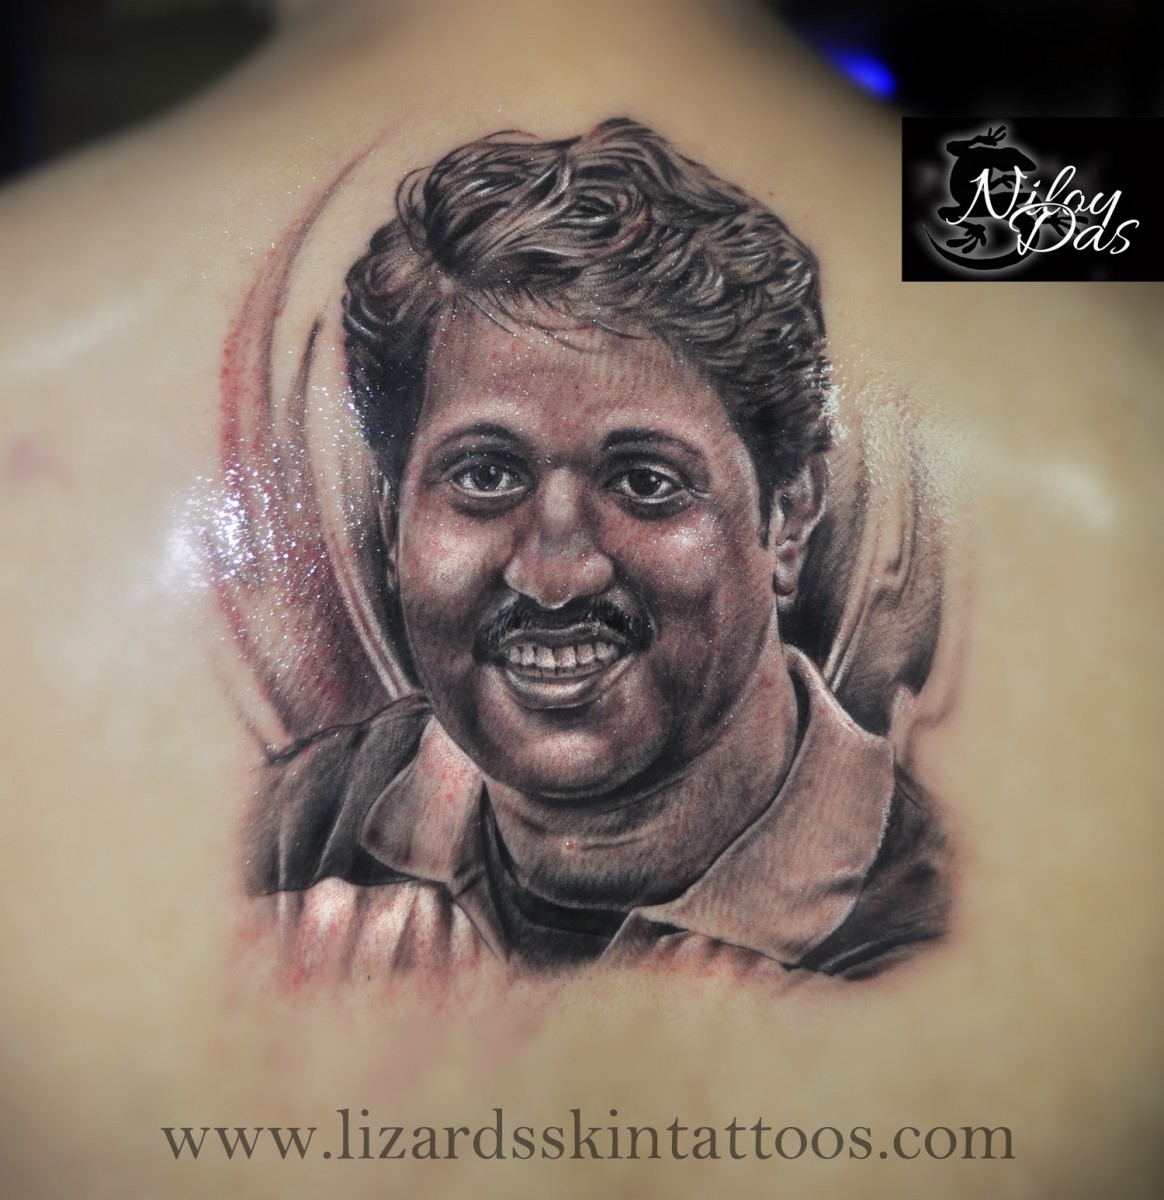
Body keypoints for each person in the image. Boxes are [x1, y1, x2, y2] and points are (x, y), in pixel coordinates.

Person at [245, 121, 949, 982]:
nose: (555, 575)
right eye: (485, 474)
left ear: (790, 514)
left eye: (646, 482)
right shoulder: (289, 838)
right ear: (395, 521)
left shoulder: (943, 932)